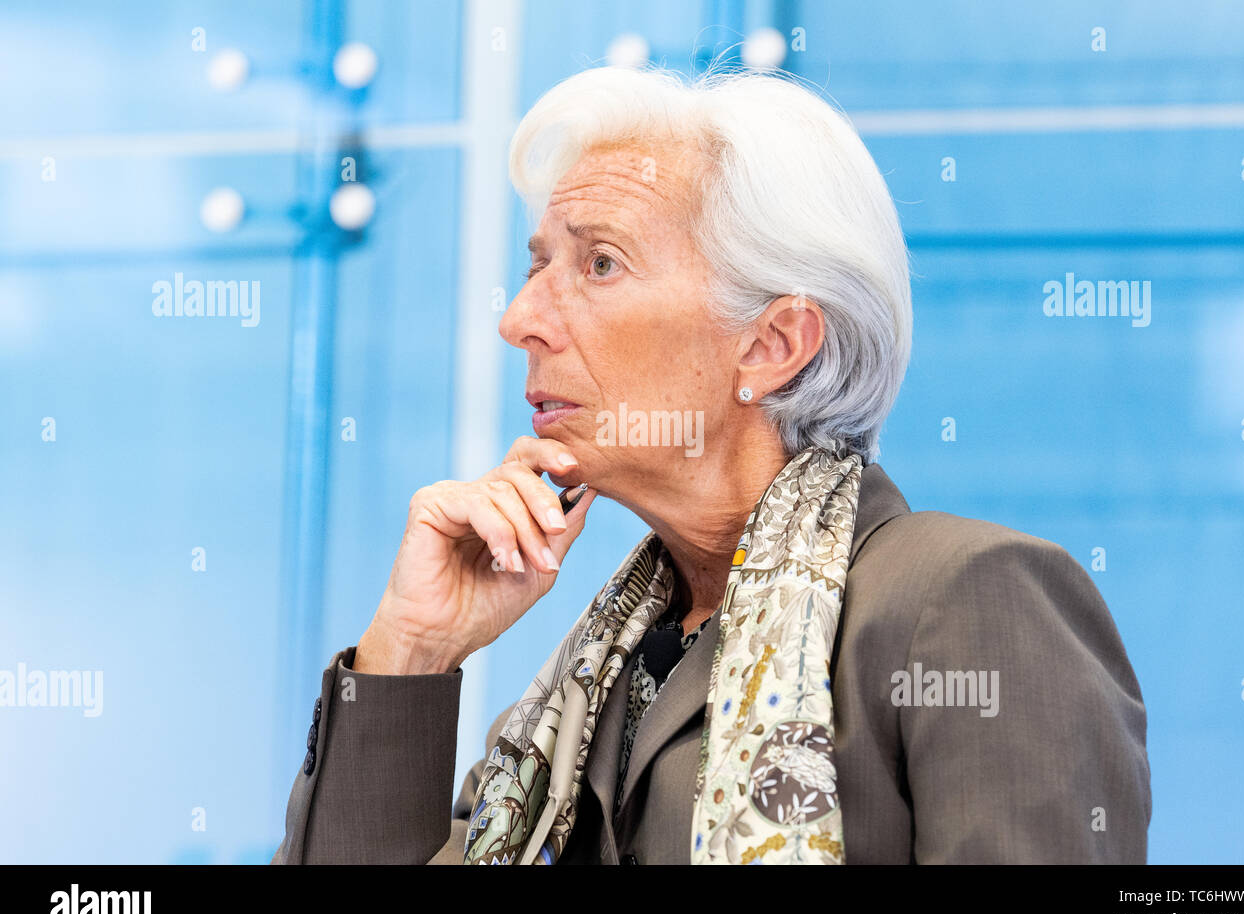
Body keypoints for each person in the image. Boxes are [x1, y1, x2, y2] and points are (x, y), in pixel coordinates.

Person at [272, 64, 1151, 865]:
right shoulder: (562, 715)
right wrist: (413, 650)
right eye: (538, 265)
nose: (522, 319)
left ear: (773, 344)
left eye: (600, 263)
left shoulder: (967, 599)